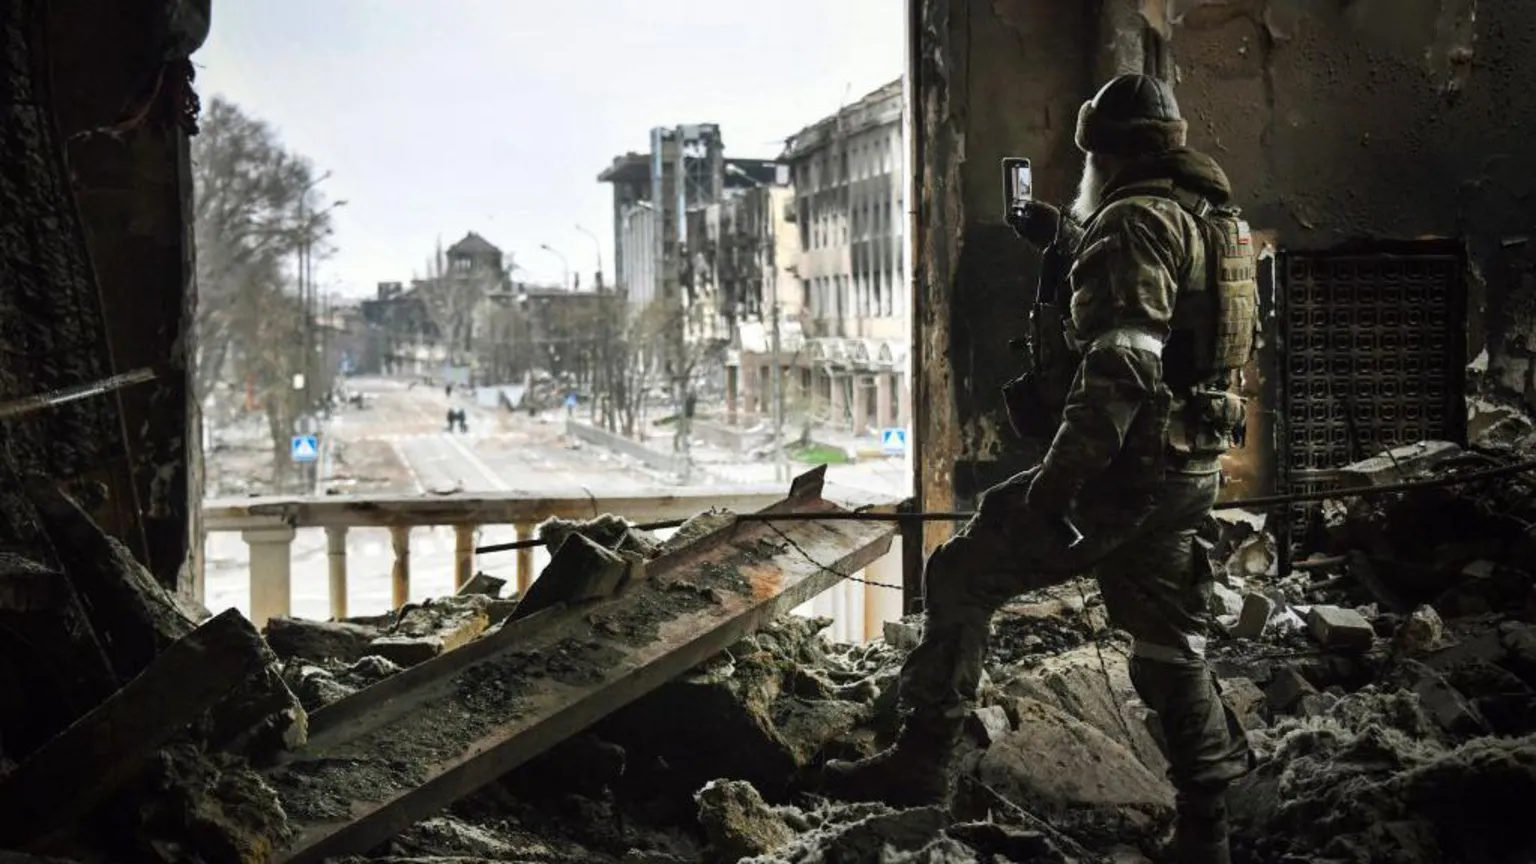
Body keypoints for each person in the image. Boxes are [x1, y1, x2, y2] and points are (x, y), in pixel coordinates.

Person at [822, 73, 1256, 864]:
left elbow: (1121, 372)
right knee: (1169, 643)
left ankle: (922, 764)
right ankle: (1208, 832)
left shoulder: (1131, 222)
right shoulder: (1211, 218)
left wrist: (1055, 490)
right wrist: (1065, 239)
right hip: (1189, 468)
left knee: (960, 574)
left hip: (1118, 477)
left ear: (1105, 154)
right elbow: (1174, 325)